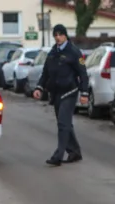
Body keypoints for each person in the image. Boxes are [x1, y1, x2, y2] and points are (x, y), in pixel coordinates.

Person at [33, 24, 89, 167]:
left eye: (60, 35)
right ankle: (75, 151)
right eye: (55, 35)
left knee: (63, 124)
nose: (58, 37)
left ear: (65, 35)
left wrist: (84, 93)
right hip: (56, 93)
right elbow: (46, 72)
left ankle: (58, 155)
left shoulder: (74, 52)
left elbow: (83, 73)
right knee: (65, 124)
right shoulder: (53, 52)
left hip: (70, 91)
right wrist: (39, 87)